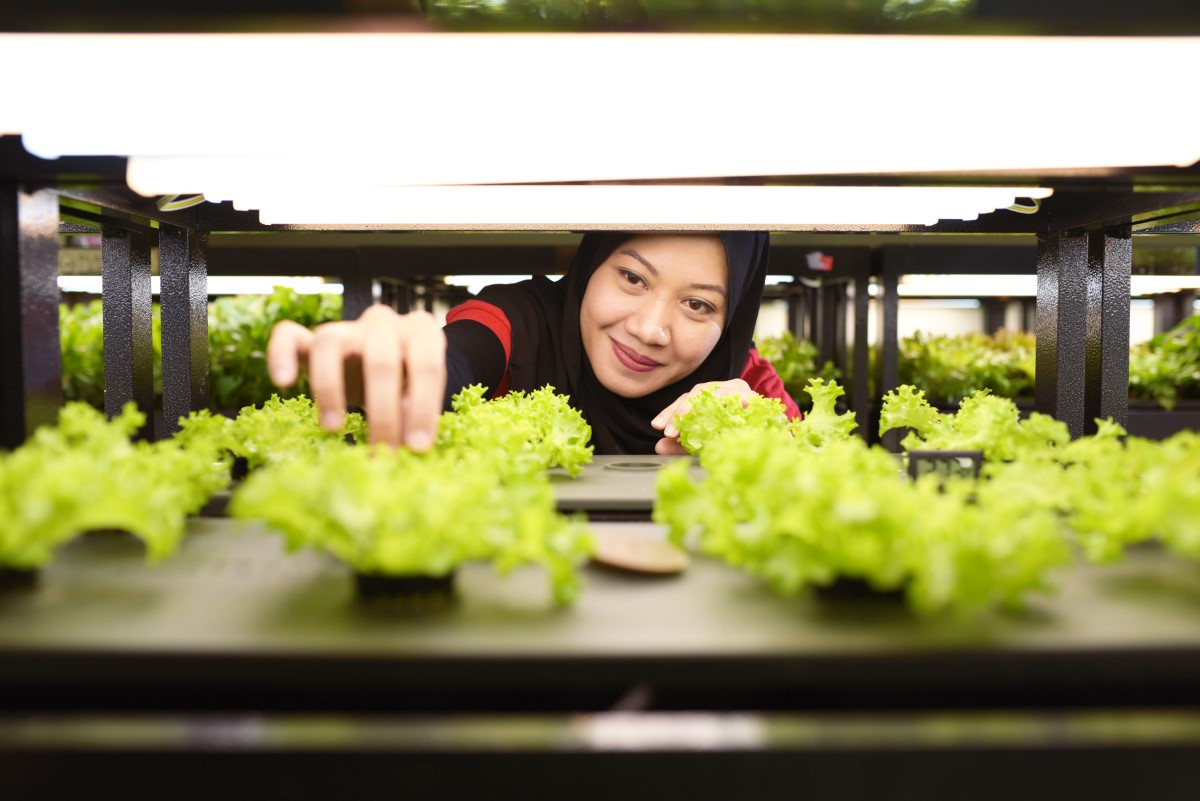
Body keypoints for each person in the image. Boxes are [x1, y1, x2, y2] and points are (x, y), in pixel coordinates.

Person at [267, 232, 801, 455]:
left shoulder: (745, 382)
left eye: (698, 305)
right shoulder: (515, 321)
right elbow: (458, 356)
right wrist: (399, 367)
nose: (649, 329)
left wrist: (761, 439)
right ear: (588, 267)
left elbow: (822, 468)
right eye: (633, 279)